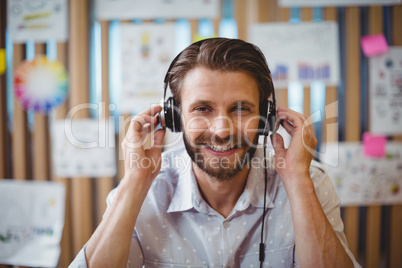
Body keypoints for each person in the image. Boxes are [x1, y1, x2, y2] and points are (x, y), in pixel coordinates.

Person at [70, 38, 360, 267]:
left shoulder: (310, 183)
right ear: (173, 117)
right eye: (202, 109)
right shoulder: (143, 190)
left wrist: (297, 180)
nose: (222, 131)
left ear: (268, 118)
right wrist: (136, 181)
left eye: (241, 108)